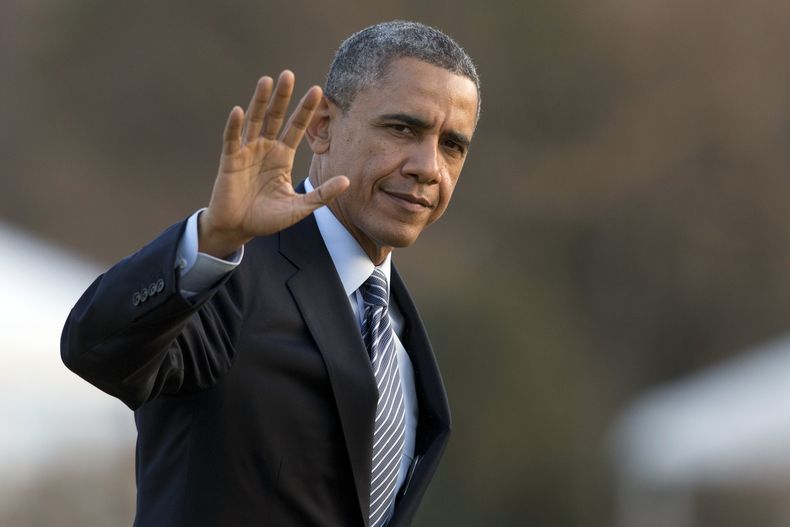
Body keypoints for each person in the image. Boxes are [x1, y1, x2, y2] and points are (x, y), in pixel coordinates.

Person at [61, 20, 480, 527]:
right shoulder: (228, 275)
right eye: (402, 128)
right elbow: (96, 347)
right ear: (322, 125)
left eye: (452, 145)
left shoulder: (398, 330)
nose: (428, 166)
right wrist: (211, 240)